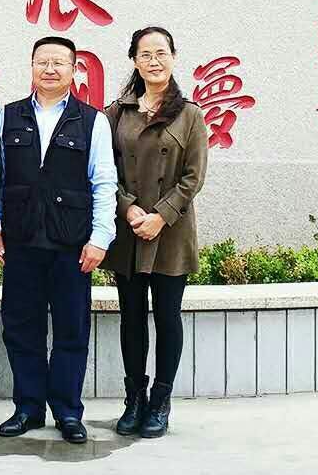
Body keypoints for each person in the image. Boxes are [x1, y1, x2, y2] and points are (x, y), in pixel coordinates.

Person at [0, 36, 116, 445]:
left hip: (71, 243)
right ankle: (27, 407)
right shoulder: (9, 116)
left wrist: (100, 238)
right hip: (21, 240)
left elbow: (104, 181)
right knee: (20, 327)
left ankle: (67, 411)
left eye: (59, 62)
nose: (50, 69)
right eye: (42, 61)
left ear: (74, 69)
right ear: (31, 66)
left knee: (71, 330)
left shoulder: (92, 120)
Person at [101, 27, 208, 438]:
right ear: (134, 60)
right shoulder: (117, 112)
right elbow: (105, 171)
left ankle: (161, 401)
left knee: (167, 316)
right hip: (129, 231)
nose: (154, 61)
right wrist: (128, 209)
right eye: (145, 54)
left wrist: (160, 216)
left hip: (171, 233)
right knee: (131, 318)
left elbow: (193, 177)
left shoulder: (189, 114)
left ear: (173, 57)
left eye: (161, 53)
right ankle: (134, 400)